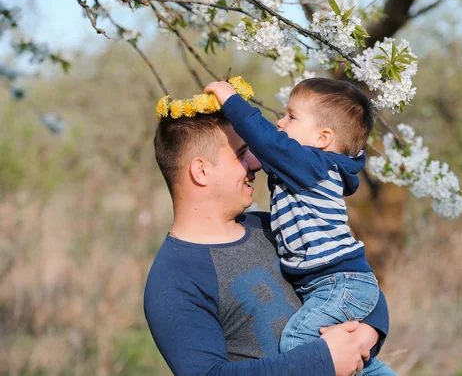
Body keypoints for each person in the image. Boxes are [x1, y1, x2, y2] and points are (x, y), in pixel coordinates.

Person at [144, 109, 390, 376]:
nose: (256, 162)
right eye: (240, 154)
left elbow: (351, 280)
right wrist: (323, 361)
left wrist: (369, 331)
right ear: (201, 171)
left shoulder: (271, 226)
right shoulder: (173, 280)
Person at [205, 77, 396, 375]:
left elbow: (268, 142)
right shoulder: (304, 169)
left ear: (322, 138)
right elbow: (264, 154)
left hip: (337, 282)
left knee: (299, 343)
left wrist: (231, 101)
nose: (281, 122)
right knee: (358, 360)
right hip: (332, 283)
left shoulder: (312, 166)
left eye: (292, 116)